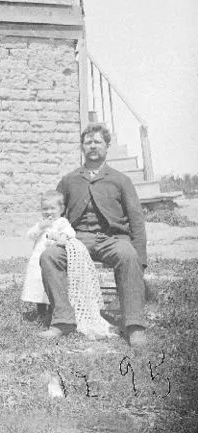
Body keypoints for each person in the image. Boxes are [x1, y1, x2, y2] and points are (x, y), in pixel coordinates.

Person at [38, 123, 148, 346]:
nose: (93, 146)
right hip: (77, 239)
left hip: (113, 240)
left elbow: (136, 220)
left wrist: (141, 257)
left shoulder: (121, 180)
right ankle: (63, 321)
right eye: (88, 142)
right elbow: (55, 212)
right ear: (82, 147)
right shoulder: (69, 180)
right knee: (49, 256)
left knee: (128, 255)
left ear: (107, 146)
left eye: (97, 142)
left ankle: (134, 325)